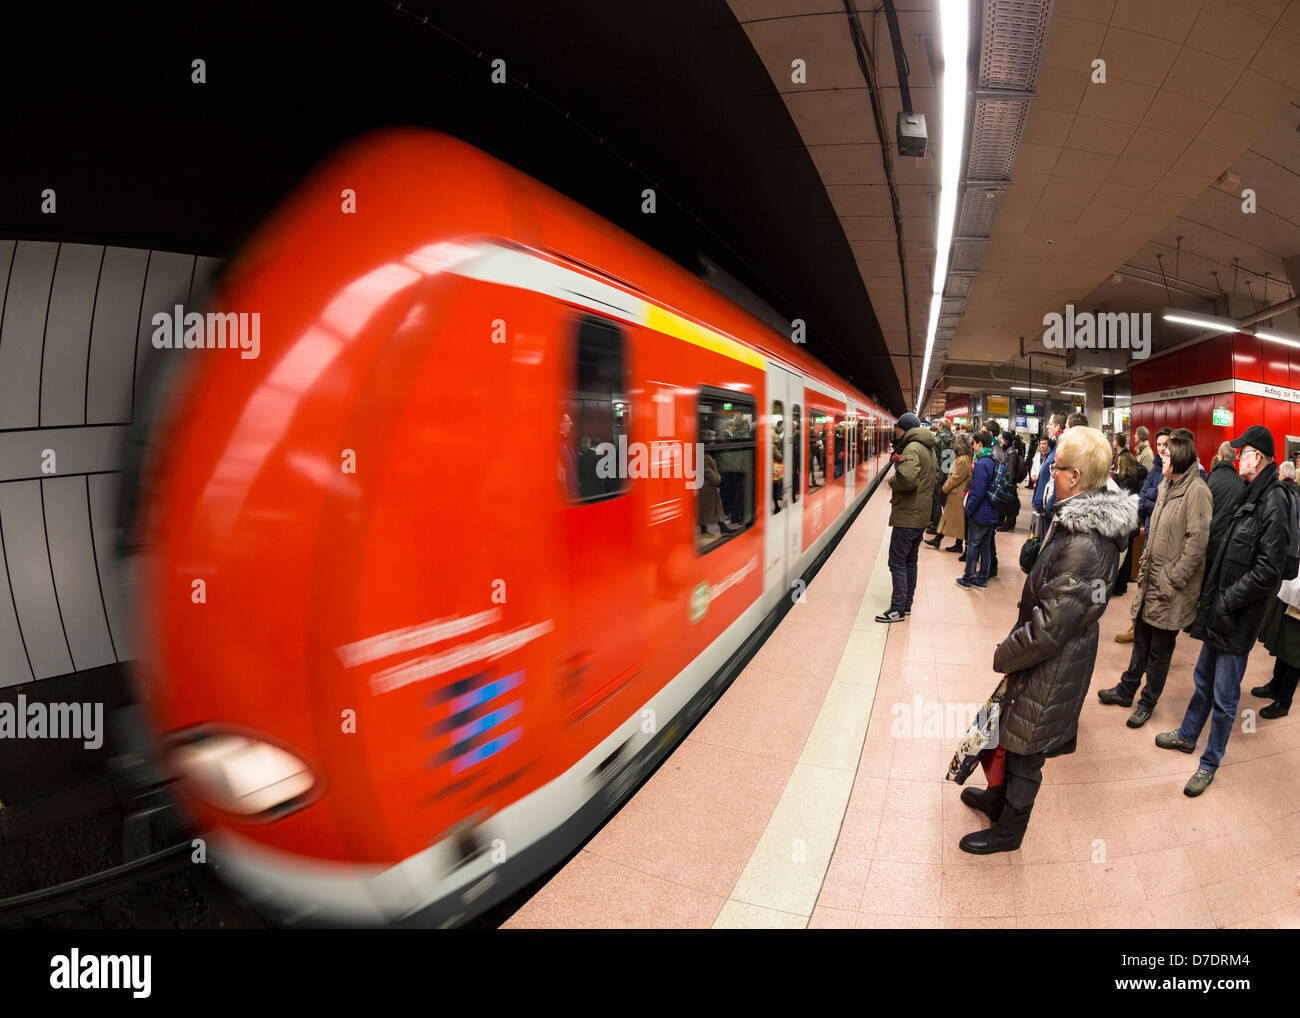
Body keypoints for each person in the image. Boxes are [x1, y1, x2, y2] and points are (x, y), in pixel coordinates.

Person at [958, 427, 1135, 853]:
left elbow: (1049, 628)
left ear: (1076, 477)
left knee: (1027, 749)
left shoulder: (1085, 543)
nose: (1048, 474)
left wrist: (1004, 654)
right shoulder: (1078, 523)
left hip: (1053, 662)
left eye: (1056, 468)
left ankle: (1010, 830)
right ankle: (998, 800)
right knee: (1013, 733)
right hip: (1052, 656)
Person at [1157, 424, 1292, 796]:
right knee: (1203, 681)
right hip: (1222, 611)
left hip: (1237, 616)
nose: (1238, 458)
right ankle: (1188, 735)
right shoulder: (1252, 493)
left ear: (1257, 457)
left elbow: (1269, 570)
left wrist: (1229, 599)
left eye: (1243, 452)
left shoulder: (1273, 500)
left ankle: (1210, 762)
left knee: (1225, 696)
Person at [1097, 431, 1211, 727]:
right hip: (1152, 579)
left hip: (1171, 586)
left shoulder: (1197, 491)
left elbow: (1197, 543)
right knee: (1142, 639)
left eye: (1168, 454)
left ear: (1181, 458)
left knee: (1160, 650)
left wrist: (1175, 578)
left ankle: (1147, 702)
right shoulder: (1166, 485)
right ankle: (1127, 690)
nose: (1162, 457)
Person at [876, 413, 938, 623]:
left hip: (908, 515)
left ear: (904, 429)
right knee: (911, 560)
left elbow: (907, 478)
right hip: (921, 514)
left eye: (898, 429)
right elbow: (936, 476)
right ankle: (906, 605)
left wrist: (892, 482)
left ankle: (897, 609)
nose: (896, 433)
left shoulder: (912, 448)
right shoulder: (929, 449)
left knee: (897, 562)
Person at [1118, 426, 1173, 644]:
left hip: (1167, 540)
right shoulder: (1154, 470)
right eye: (1159, 444)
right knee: (1143, 583)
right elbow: (1143, 500)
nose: (1162, 449)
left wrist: (1154, 497)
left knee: (1159, 587)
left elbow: (1169, 506)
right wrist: (1155, 498)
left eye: (1166, 445)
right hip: (1150, 533)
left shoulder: (1177, 473)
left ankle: (1152, 632)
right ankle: (1136, 626)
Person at [1251, 565, 1300, 720]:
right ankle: (1275, 686)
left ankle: (1284, 702)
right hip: (1294, 594)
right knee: (1284, 644)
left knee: (1295, 653)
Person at [956, 430, 998, 589]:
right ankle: (982, 580)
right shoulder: (992, 460)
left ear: (980, 443)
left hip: (980, 512)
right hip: (992, 511)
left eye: (973, 443)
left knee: (973, 546)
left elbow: (978, 492)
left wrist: (969, 509)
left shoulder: (981, 464)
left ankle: (968, 578)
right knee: (986, 548)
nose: (972, 447)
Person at [1205, 440, 1245, 570]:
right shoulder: (1241, 483)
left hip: (1208, 543)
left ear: (1220, 456)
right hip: (1229, 546)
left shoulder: (1209, 478)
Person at [927, 435, 971, 553]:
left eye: (955, 444)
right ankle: (940, 540)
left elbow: (956, 477)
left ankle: (951, 543)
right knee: (950, 519)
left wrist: (945, 487)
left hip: (957, 494)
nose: (953, 446)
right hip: (955, 494)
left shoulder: (963, 460)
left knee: (956, 520)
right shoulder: (963, 458)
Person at [929, 418, 954, 536]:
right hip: (950, 474)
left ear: (940, 426)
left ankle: (937, 526)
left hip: (939, 474)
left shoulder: (937, 439)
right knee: (946, 500)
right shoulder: (954, 438)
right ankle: (949, 524)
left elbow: (933, 458)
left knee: (937, 500)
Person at [996, 432, 1023, 532]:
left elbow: (1011, 469)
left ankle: (1009, 524)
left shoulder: (1011, 452)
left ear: (1006, 441)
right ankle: (1005, 523)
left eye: (1002, 439)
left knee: (1010, 504)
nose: (1000, 440)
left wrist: (1009, 483)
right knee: (1006, 503)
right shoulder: (1006, 450)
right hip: (1006, 481)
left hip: (1009, 482)